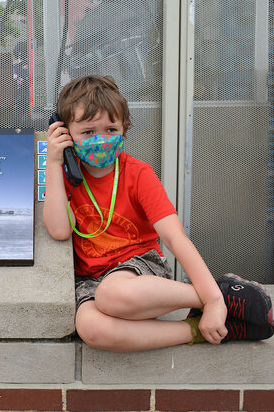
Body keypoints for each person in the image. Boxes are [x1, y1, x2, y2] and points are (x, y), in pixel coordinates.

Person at [43, 74, 273, 352]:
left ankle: (219, 294)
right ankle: (195, 330)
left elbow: (176, 239)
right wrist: (55, 163)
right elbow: (59, 230)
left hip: (139, 273)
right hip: (92, 282)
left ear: (125, 129)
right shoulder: (68, 176)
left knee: (112, 294)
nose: (100, 140)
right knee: (91, 327)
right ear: (65, 133)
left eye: (111, 130)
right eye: (88, 132)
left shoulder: (137, 174)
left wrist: (212, 299)